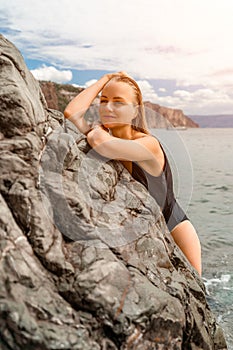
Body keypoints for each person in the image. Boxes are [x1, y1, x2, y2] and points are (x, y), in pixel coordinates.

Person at [64, 72, 202, 276]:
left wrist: (96, 132)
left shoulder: (149, 144)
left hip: (176, 229)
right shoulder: (106, 138)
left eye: (118, 102)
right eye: (103, 100)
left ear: (135, 110)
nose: (108, 107)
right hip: (145, 233)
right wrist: (105, 80)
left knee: (198, 297)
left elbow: (102, 144)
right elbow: (71, 113)